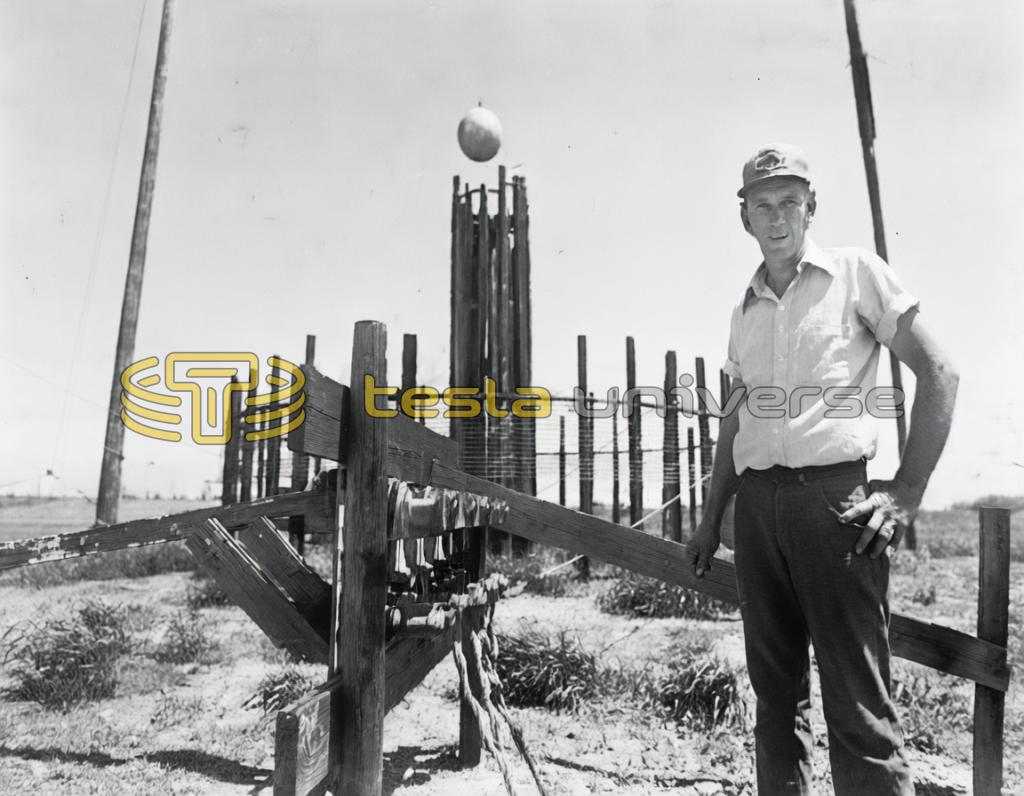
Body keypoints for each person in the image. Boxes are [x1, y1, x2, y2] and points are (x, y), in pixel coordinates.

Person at [686, 143, 958, 794]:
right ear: (743, 217)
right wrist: (709, 518)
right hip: (757, 513)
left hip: (835, 508)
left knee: (857, 705)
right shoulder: (744, 309)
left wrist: (907, 491)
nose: (776, 218)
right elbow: (733, 421)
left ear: (811, 208)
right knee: (776, 706)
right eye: (762, 205)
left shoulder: (855, 274)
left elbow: (939, 371)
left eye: (789, 203)